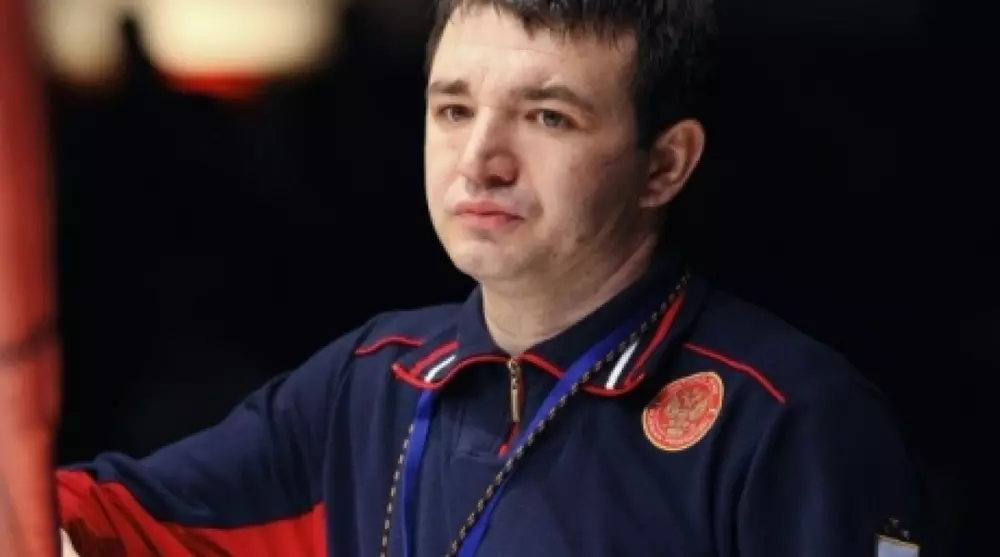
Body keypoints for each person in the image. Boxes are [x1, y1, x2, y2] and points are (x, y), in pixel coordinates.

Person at [55, 0, 929, 556]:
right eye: (454, 109)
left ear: (665, 164)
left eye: (547, 117)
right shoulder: (371, 381)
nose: (480, 159)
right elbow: (92, 520)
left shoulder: (786, 417)